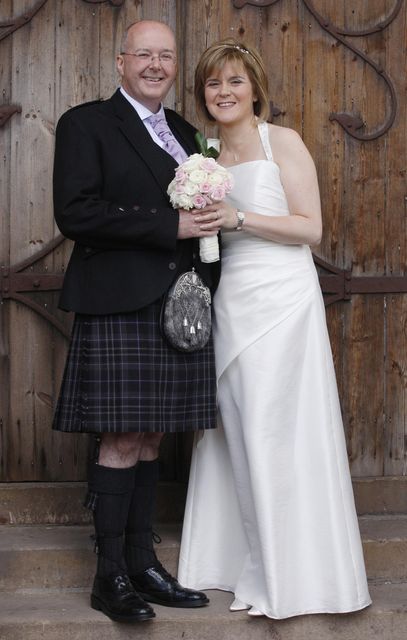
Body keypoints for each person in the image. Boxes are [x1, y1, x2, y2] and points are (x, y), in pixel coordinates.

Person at [178, 39, 372, 619]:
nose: (224, 92)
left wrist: (239, 216)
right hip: (231, 296)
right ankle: (238, 557)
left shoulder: (279, 141)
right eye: (214, 84)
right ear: (203, 95)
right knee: (234, 425)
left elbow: (310, 228)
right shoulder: (204, 152)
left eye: (235, 81)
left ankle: (287, 573)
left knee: (274, 425)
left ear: (255, 88)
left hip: (283, 297)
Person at [52, 20, 220, 623]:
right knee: (122, 437)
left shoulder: (185, 132)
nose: (156, 65)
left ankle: (144, 566)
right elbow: (75, 212)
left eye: (166, 56)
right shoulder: (86, 123)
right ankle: (109, 577)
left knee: (151, 437)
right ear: (121, 61)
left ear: (176, 66)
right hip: (120, 298)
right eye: (144, 54)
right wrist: (168, 227)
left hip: (177, 302)